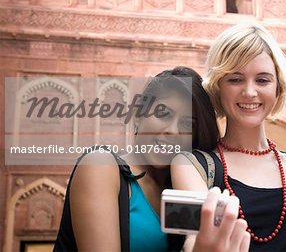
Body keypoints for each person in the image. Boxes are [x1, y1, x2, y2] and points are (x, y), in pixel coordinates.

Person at [171, 23, 286, 251]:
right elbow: (192, 239)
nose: (249, 92)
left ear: (278, 88)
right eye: (235, 79)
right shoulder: (191, 165)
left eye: (263, 80)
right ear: (218, 86)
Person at [54, 66, 250, 252]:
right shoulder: (101, 166)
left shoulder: (184, 186)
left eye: (186, 124)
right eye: (163, 113)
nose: (172, 131)